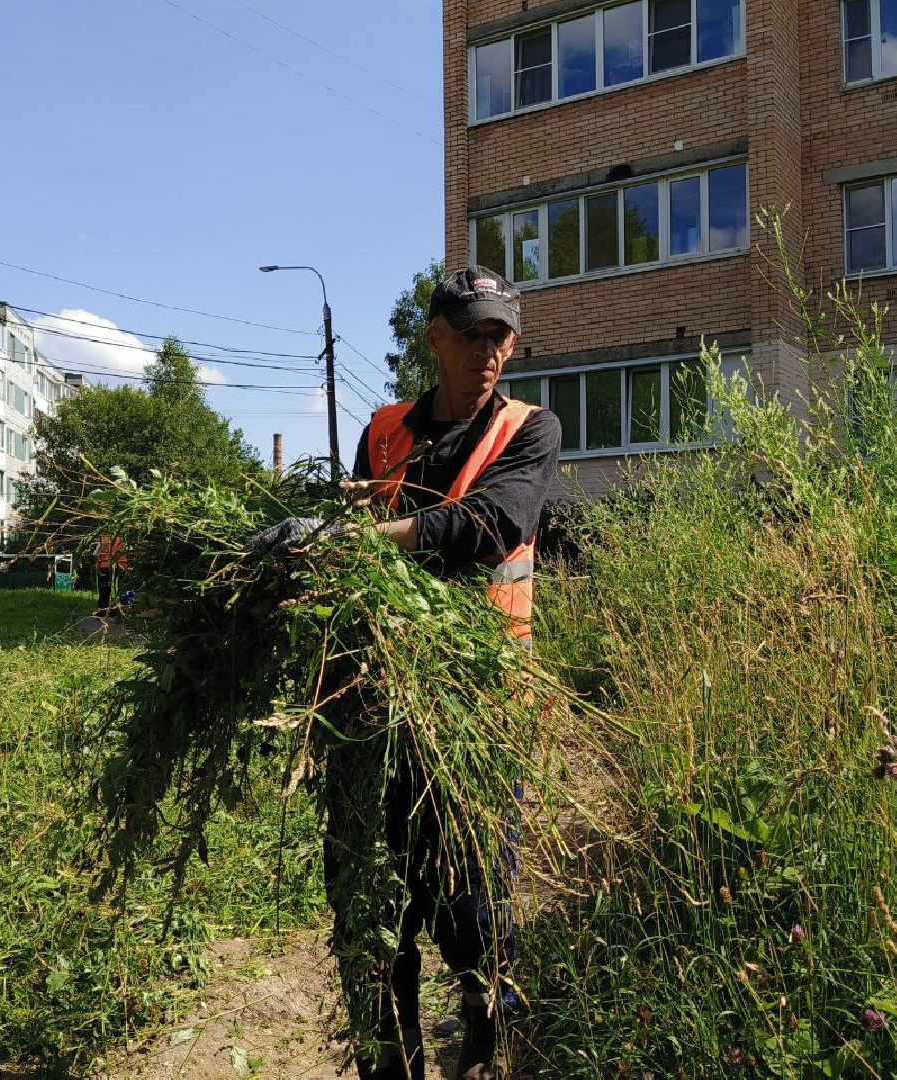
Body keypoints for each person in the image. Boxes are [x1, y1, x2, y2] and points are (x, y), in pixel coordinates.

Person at [261, 266, 561, 1079]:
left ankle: (483, 1037)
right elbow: (360, 535)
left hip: (483, 708)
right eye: (471, 334)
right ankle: (392, 1052)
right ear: (434, 341)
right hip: (375, 702)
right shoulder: (385, 429)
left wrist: (355, 539)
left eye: (501, 335)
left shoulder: (530, 430)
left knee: (473, 897)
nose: (489, 351)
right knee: (380, 890)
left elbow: (489, 525)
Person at [95, 534, 128, 616]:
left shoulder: (115, 539)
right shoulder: (113, 538)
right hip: (108, 566)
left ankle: (111, 610)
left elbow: (118, 552)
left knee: (110, 589)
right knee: (106, 589)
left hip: (114, 566)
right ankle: (107, 610)